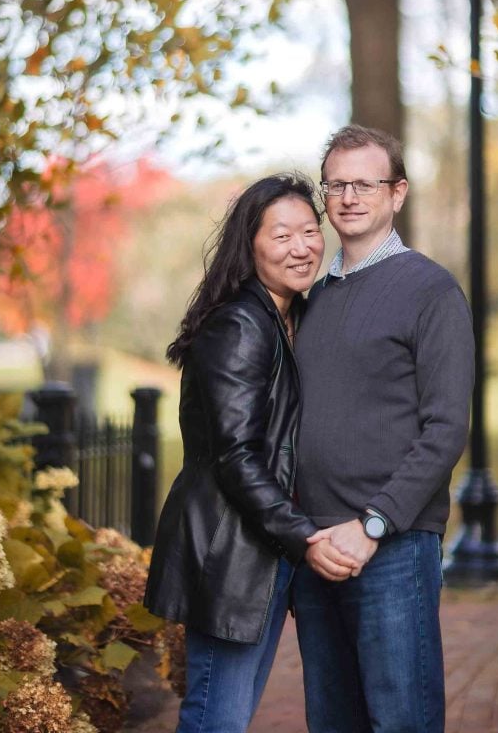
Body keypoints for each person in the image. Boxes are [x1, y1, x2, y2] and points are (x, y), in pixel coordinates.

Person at [143, 174, 356, 733]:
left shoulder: (288, 316)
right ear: (251, 245)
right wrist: (302, 534)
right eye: (282, 236)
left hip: (262, 546)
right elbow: (235, 455)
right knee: (217, 716)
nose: (301, 247)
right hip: (230, 551)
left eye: (310, 231)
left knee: (226, 713)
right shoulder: (241, 324)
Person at [293, 125, 476, 733]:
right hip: (317, 552)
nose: (348, 197)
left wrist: (373, 524)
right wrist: (304, 536)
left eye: (364, 184)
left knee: (401, 721)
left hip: (391, 547)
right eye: (336, 185)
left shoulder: (431, 291)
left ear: (397, 194)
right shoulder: (309, 300)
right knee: (334, 723)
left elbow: (446, 428)